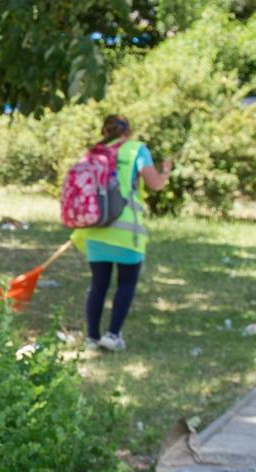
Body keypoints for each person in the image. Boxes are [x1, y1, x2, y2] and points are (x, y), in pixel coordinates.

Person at [70, 114, 172, 351]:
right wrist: (165, 172)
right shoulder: (136, 149)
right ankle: (113, 335)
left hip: (95, 228)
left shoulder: (93, 152)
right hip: (127, 231)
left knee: (98, 284)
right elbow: (155, 183)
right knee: (126, 283)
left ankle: (92, 338)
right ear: (128, 132)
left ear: (104, 131)